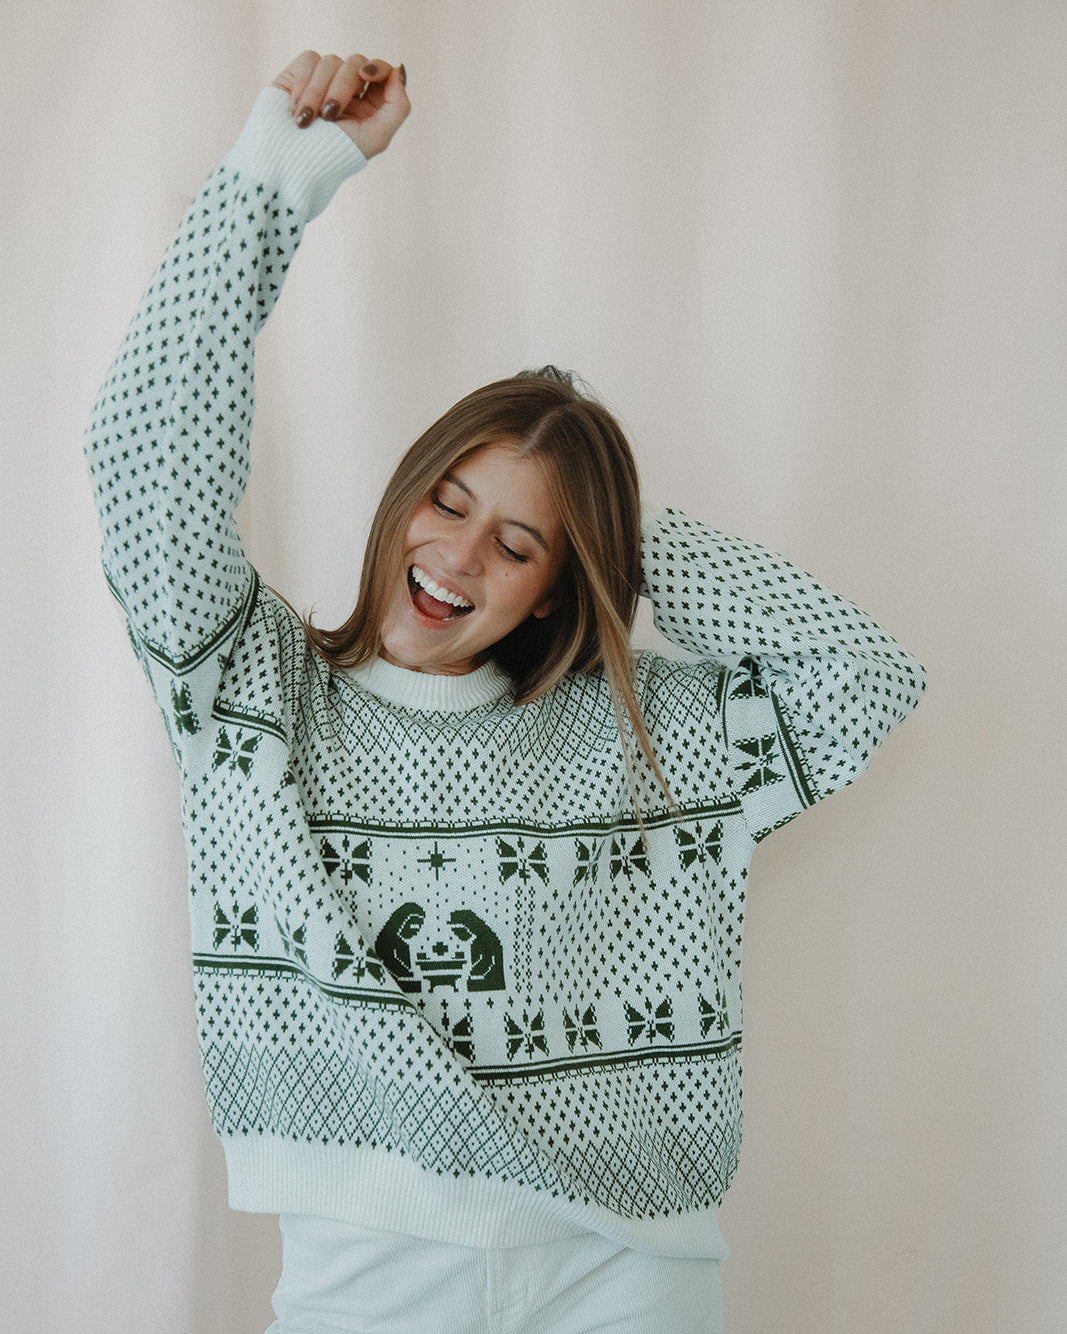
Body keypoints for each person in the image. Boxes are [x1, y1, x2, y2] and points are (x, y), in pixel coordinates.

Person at [84, 48, 926, 1334]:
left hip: (626, 1269)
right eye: (449, 500)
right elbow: (146, 453)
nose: (459, 556)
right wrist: (277, 176)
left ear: (555, 585)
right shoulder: (250, 694)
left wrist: (630, 540)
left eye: (522, 544)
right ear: (403, 491)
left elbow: (863, 676)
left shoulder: (643, 732)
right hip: (369, 1261)